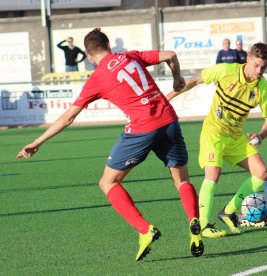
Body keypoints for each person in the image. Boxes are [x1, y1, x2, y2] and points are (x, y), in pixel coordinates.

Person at [17, 28, 203, 261]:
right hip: (168, 120)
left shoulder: (97, 78)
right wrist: (177, 78)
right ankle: (194, 224)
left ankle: (145, 230)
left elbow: (68, 117)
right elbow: (170, 55)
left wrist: (37, 141)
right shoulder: (130, 56)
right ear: (108, 45)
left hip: (141, 129)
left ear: (87, 53)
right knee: (182, 180)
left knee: (108, 182)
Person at [167, 43, 267, 238]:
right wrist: (166, 99)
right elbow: (195, 80)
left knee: (261, 173)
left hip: (235, 136)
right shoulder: (226, 70)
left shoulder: (262, 87)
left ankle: (228, 211)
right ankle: (204, 224)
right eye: (256, 65)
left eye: (264, 67)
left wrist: (260, 135)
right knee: (213, 172)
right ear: (248, 59)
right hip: (214, 132)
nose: (259, 71)